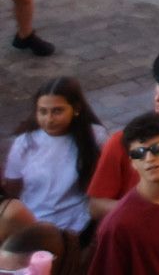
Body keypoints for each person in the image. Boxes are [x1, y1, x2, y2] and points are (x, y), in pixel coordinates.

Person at [87, 113, 159, 275]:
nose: (149, 158)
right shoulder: (117, 226)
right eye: (139, 153)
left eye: (158, 148)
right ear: (132, 163)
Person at [4, 78, 104, 238]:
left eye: (57, 111)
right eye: (43, 111)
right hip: (33, 225)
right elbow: (13, 187)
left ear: (76, 109)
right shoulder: (24, 143)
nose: (49, 119)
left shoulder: (95, 136)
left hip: (77, 225)